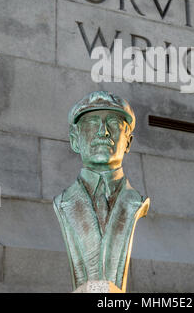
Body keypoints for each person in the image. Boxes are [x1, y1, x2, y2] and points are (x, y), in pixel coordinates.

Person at [53, 91, 150, 292]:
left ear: (128, 143)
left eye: (114, 123)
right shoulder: (63, 202)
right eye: (91, 123)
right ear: (74, 141)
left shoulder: (136, 202)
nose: (103, 132)